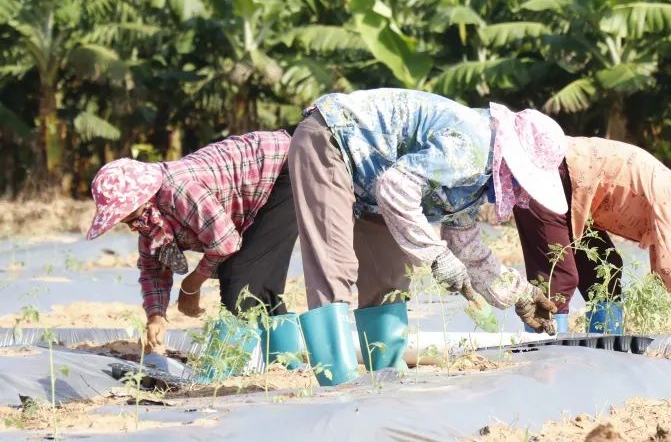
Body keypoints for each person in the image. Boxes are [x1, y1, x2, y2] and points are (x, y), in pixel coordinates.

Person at [288, 88, 566, 333]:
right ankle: (339, 384)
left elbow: (465, 245)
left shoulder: (479, 176)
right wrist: (436, 254)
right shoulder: (472, 147)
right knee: (335, 267)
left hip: (376, 177)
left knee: (389, 278)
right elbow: (396, 186)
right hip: (332, 140)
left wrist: (521, 295)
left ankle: (384, 379)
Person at [513, 137, 671, 335]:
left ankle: (604, 344)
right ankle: (544, 356)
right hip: (552, 173)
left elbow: (662, 268)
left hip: (579, 196)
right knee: (559, 278)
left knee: (606, 267)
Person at [85, 130, 298, 353]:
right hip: (260, 187)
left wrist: (191, 285)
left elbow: (225, 243)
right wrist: (156, 317)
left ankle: (240, 363)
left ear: (142, 199)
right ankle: (283, 358)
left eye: (127, 215)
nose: (129, 226)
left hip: (280, 168)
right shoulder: (147, 216)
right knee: (251, 277)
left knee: (241, 277)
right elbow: (152, 268)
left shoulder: (177, 190)